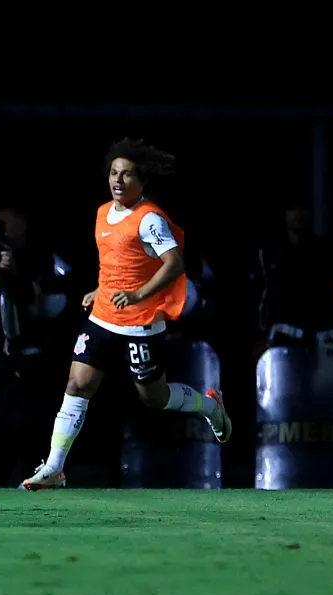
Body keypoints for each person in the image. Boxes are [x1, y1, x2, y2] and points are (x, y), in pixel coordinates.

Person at [22, 138, 232, 490]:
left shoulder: (149, 220)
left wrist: (137, 295)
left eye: (127, 175)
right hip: (103, 317)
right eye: (114, 173)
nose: (118, 180)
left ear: (142, 181)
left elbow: (174, 264)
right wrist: (99, 290)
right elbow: (115, 264)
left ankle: (210, 407)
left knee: (154, 397)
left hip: (141, 323)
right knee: (78, 384)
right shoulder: (103, 212)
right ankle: (55, 467)